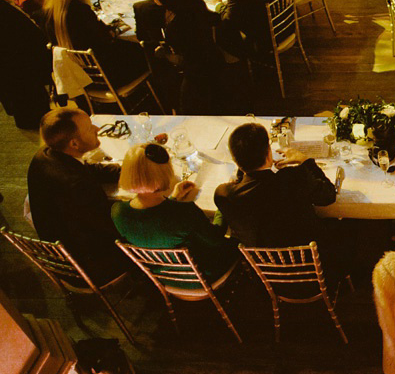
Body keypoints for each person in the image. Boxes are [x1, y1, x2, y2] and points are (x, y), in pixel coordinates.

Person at [214, 122, 346, 281]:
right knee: (343, 224)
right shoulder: (293, 178)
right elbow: (329, 196)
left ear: (236, 161)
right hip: (316, 267)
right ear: (269, 154)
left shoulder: (223, 195)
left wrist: (244, 169)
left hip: (268, 273)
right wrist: (305, 161)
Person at [27, 107, 128, 284]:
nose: (97, 129)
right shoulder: (77, 186)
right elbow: (112, 226)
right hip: (89, 265)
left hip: (65, 249)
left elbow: (87, 169)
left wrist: (129, 169)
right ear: (74, 144)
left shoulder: (45, 155)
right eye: (89, 128)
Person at [112, 143, 237, 284]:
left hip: (165, 278)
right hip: (203, 276)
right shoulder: (184, 212)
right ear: (166, 173)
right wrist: (223, 203)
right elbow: (216, 237)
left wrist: (173, 198)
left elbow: (155, 227)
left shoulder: (118, 212)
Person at [140, 0, 230, 114]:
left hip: (201, 74)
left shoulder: (182, 19)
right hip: (210, 61)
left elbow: (187, 59)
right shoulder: (189, 1)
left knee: (189, 110)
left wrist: (166, 55)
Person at [43, 0, 149, 86]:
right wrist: (112, 30)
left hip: (84, 77)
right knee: (145, 49)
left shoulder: (49, 17)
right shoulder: (81, 11)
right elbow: (105, 40)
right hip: (110, 75)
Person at [0, 0, 51, 129]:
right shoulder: (3, 13)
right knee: (37, 122)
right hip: (22, 80)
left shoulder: (7, 4)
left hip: (25, 77)